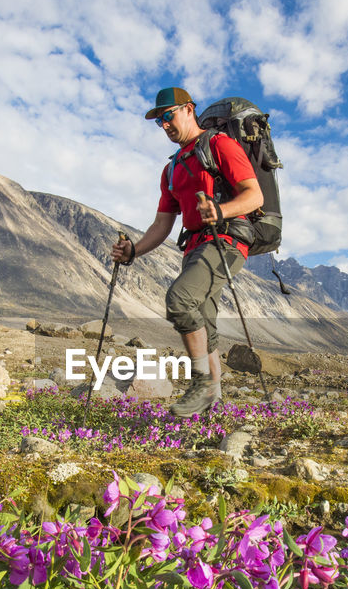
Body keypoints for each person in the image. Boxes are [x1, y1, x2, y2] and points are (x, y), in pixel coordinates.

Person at [111, 87, 263, 418]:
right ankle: (213, 409)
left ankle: (202, 384)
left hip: (226, 241)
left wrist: (221, 212)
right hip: (194, 248)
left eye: (169, 116)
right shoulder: (171, 169)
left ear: (188, 110)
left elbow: (254, 196)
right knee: (203, 326)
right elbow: (161, 225)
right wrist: (133, 251)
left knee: (179, 300)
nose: (164, 125)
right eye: (159, 121)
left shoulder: (220, 145)